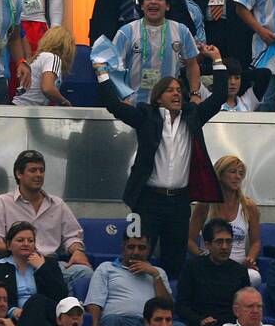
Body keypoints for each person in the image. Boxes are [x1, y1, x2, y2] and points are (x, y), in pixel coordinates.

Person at [97, 50, 230, 279]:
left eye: (179, 90)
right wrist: (102, 73)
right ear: (158, 97)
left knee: (175, 260)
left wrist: (217, 60)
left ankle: (167, 308)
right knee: (136, 254)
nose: (176, 94)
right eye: (170, 90)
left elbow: (219, 97)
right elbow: (114, 105)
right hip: (147, 200)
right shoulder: (145, 116)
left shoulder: (193, 116)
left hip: (179, 203)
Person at [0, 149, 91, 292]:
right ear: (19, 174)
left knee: (84, 273)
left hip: (51, 264)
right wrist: (17, 251)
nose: (39, 175)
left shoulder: (57, 204)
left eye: (41, 170)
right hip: (18, 264)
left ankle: (67, 312)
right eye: (33, 170)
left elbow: (72, 236)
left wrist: (77, 251)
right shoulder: (3, 202)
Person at [85, 233, 173, 326]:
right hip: (119, 322)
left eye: (141, 248)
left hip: (150, 324)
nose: (136, 252)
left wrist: (154, 275)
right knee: (111, 320)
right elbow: (94, 303)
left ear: (149, 250)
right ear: (123, 248)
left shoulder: (158, 272)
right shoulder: (106, 268)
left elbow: (167, 306)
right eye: (131, 247)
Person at [112, 0, 200, 106]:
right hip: (134, 107)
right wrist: (121, 97)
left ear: (167, 6)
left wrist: (195, 94)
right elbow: (113, 68)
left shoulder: (181, 31)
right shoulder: (126, 32)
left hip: (169, 107)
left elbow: (192, 65)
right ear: (142, 5)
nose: (153, 2)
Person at [0, 221, 68, 326]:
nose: (26, 244)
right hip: (14, 319)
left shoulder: (48, 264)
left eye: (30, 241)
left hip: (46, 315)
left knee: (37, 300)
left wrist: (41, 268)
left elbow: (61, 295)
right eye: (20, 240)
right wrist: (12, 310)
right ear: (9, 245)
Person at [187, 157, 260, 283]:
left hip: (238, 267)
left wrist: (251, 259)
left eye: (241, 173)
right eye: (232, 172)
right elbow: (189, 240)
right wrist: (201, 256)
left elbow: (256, 242)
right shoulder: (205, 205)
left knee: (254, 277)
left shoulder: (249, 207)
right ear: (219, 175)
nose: (237, 177)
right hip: (210, 265)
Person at [177, 217, 249, 326]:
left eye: (228, 241)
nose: (225, 247)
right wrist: (199, 320)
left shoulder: (240, 271)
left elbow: (244, 306)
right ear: (207, 245)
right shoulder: (192, 267)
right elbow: (181, 305)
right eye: (219, 242)